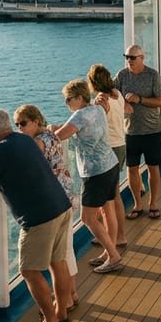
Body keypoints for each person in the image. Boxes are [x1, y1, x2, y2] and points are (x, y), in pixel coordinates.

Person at [0, 108, 73, 322]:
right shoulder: (25, 140)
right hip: (60, 205)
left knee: (29, 271)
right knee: (58, 263)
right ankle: (63, 315)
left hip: (40, 218)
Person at [52, 80, 125, 274]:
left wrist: (47, 131)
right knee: (108, 210)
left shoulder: (79, 116)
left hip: (95, 173)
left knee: (87, 218)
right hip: (110, 165)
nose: (66, 103)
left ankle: (114, 257)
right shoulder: (97, 109)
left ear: (79, 97)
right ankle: (109, 252)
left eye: (68, 99)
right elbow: (77, 129)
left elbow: (58, 137)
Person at [14, 104, 79, 313]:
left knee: (59, 255)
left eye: (23, 123)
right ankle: (71, 294)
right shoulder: (52, 135)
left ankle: (67, 300)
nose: (20, 128)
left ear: (35, 121)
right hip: (66, 194)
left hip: (55, 200)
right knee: (64, 251)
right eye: (17, 125)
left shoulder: (38, 143)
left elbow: (28, 166)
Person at [116, 45, 161, 219]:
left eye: (132, 57)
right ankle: (138, 204)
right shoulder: (122, 75)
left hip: (152, 130)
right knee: (132, 169)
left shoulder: (152, 75)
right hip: (130, 132)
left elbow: (160, 101)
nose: (129, 60)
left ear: (142, 58)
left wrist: (140, 99)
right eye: (127, 57)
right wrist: (124, 103)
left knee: (153, 168)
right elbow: (112, 93)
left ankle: (153, 203)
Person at [88, 63, 128, 246]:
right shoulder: (117, 94)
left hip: (109, 150)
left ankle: (116, 237)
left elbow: (94, 126)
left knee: (109, 199)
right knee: (114, 194)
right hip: (120, 145)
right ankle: (115, 234)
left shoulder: (101, 101)